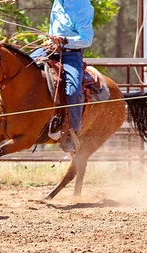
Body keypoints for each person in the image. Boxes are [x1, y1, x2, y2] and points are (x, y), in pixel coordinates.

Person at [30, 0, 94, 153]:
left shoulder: (82, 6)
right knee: (23, 68)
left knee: (72, 90)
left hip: (71, 55)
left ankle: (72, 131)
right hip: (50, 49)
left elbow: (87, 39)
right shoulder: (58, 2)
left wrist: (65, 40)